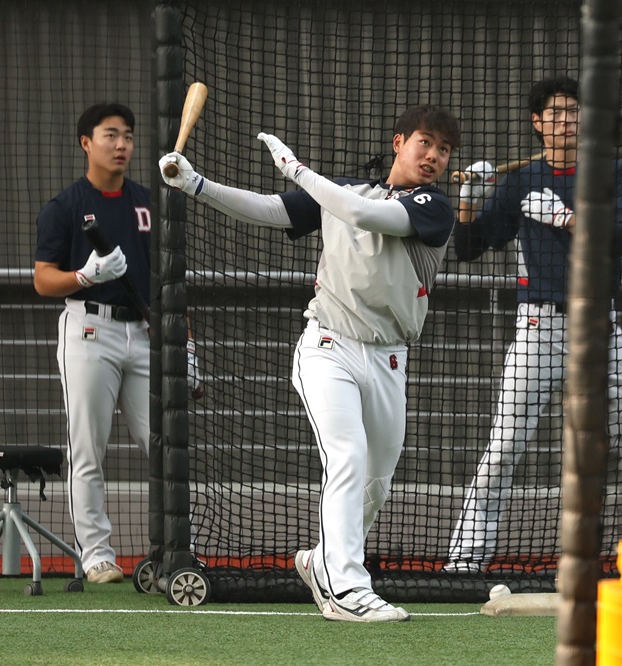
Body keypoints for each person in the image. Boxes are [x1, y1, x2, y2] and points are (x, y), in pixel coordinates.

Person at [158, 105, 461, 622]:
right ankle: (346, 586)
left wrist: (297, 169)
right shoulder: (343, 192)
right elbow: (270, 209)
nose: (433, 155)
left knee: (377, 481)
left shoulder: (434, 206)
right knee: (347, 455)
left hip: (390, 358)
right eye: (424, 143)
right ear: (398, 142)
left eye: (444, 149)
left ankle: (323, 560)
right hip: (328, 346)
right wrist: (196, 184)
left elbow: (367, 217)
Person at [444, 76, 622, 574]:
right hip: (538, 329)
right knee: (505, 445)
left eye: (574, 112)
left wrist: (571, 220)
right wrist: (467, 197)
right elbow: (467, 248)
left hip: (598, 329)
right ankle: (465, 561)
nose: (566, 121)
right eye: (555, 113)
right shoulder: (521, 181)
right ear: (537, 122)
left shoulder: (611, 174)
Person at [34, 104, 151, 584]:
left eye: (127, 136)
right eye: (110, 135)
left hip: (146, 333)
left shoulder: (148, 202)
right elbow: (43, 280)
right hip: (88, 330)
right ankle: (97, 554)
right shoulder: (63, 207)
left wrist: (182, 335)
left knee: (163, 444)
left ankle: (171, 547)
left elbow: (165, 273)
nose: (121, 144)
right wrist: (84, 275)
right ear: (86, 142)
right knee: (89, 448)